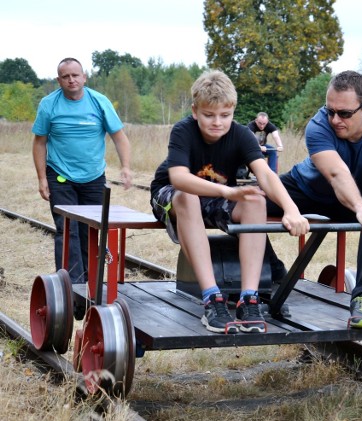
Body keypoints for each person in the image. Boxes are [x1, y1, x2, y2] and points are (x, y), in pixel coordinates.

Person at [150, 70, 309, 334]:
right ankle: (212, 298)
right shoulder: (183, 131)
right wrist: (227, 192)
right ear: (195, 111)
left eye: (225, 115)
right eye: (209, 115)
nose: (217, 122)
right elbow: (179, 178)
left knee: (256, 200)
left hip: (214, 197)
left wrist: (291, 209)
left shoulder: (241, 134)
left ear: (233, 111)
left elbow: (266, 174)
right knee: (189, 196)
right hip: (172, 195)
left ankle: (249, 298)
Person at [267, 70, 362, 329]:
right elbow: (336, 173)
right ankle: (274, 272)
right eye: (330, 111)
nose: (335, 119)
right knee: (246, 202)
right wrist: (360, 209)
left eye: (345, 114)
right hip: (307, 189)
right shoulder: (318, 125)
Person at [32, 57, 132, 284]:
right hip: (60, 175)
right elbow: (39, 142)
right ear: (58, 80)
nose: (71, 80)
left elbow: (119, 137)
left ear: (84, 77)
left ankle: (92, 285)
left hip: (94, 177)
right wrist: (41, 178)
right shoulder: (49, 104)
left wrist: (126, 167)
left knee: (92, 230)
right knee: (67, 231)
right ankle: (71, 287)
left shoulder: (99, 102)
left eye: (75, 75)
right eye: (65, 76)